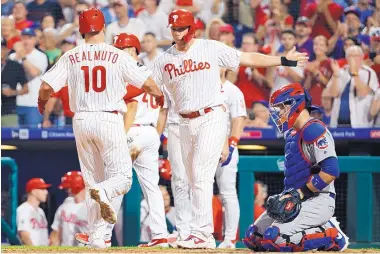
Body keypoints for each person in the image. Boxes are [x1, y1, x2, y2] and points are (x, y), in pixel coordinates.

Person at [151, 9, 308, 249]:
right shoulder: (164, 59)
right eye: (173, 28)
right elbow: (147, 85)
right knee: (190, 179)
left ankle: (203, 234)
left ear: (191, 28)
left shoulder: (210, 48)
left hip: (211, 116)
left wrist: (283, 59)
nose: (177, 32)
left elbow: (248, 58)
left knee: (202, 175)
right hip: (182, 122)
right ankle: (192, 231)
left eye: (181, 28)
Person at [37, 8, 163, 248]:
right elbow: (148, 84)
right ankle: (104, 192)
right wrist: (158, 96)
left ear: (82, 30)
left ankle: (97, 237)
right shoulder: (116, 55)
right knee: (122, 179)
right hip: (108, 118)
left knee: (91, 179)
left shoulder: (71, 55)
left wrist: (42, 102)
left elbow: (45, 87)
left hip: (82, 120)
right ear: (103, 27)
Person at [242, 83, 349, 252]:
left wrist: (300, 193)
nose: (279, 114)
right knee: (253, 236)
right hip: (294, 200)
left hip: (318, 199)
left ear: (296, 105)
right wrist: (289, 197)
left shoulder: (314, 130)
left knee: (276, 238)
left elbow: (331, 171)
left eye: (282, 108)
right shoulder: (292, 133)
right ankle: (316, 228)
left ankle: (330, 235)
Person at [114, 32, 169, 247]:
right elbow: (164, 109)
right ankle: (161, 236)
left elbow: (131, 106)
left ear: (133, 51)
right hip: (150, 133)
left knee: (117, 180)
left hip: (133, 133)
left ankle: (102, 234)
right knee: (151, 187)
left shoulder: (128, 74)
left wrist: (121, 135)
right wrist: (157, 134)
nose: (119, 53)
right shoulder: (151, 73)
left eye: (122, 49)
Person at [215, 68, 247, 249]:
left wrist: (232, 144)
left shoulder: (232, 90)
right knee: (195, 189)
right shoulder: (204, 89)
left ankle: (229, 239)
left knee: (227, 192)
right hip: (206, 146)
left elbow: (239, 119)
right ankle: (195, 233)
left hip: (226, 145)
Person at [326, 46, 379, 128]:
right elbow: (334, 94)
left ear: (361, 57)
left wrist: (354, 72)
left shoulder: (369, 72)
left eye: (356, 56)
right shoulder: (340, 71)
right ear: (346, 58)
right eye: (350, 56)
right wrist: (336, 75)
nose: (353, 59)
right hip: (338, 124)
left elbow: (363, 93)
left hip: (359, 123)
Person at [9, 28, 48, 127]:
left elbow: (34, 73)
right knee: (13, 138)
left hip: (33, 104)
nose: (26, 41)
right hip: (14, 103)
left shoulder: (40, 56)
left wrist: (22, 56)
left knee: (32, 137)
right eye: (23, 38)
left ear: (35, 40)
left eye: (29, 38)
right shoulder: (12, 57)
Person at [50, 171, 89, 246]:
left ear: (76, 185)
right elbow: (56, 231)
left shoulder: (92, 207)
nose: (66, 190)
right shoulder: (66, 204)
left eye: (68, 187)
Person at [1, 37, 29, 127]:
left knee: (10, 139)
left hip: (9, 111)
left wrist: (13, 92)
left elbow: (26, 89)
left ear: (6, 50)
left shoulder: (15, 66)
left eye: (1, 48)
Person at [16, 178, 50, 246]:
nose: (46, 192)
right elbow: (24, 236)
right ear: (33, 191)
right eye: (42, 189)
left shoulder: (41, 211)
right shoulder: (23, 209)